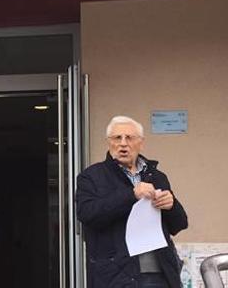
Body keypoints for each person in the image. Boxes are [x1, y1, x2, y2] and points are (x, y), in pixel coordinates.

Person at [75, 115, 188, 288]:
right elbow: (87, 214)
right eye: (117, 138)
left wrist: (171, 205)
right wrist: (131, 195)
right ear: (109, 142)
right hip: (115, 277)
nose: (123, 143)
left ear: (141, 143)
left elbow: (179, 224)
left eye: (129, 137)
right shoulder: (91, 176)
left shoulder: (156, 176)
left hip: (159, 275)